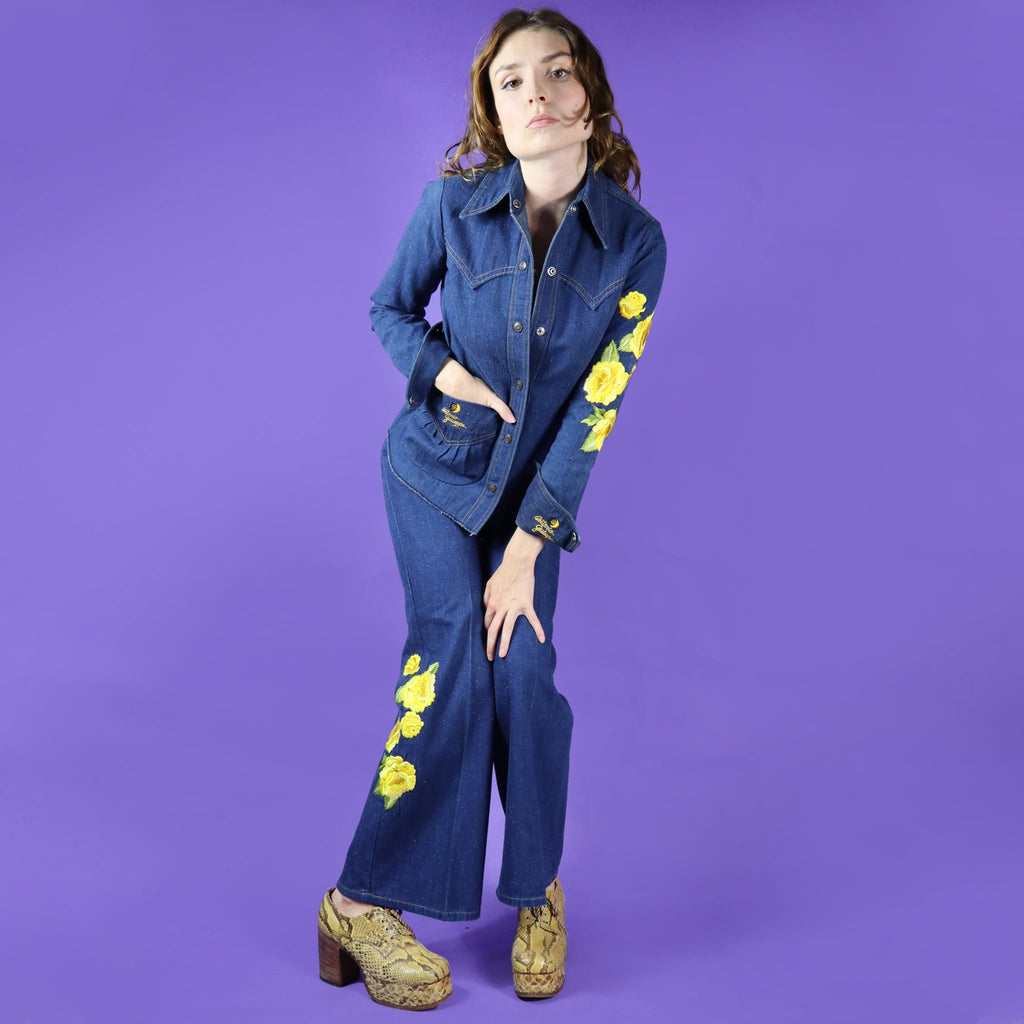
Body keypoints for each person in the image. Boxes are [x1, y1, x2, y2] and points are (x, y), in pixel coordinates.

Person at [316, 7, 667, 1010]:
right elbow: (388, 307)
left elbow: (597, 406)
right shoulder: (451, 206)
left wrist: (525, 549)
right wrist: (444, 373)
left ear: (589, 98)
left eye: (556, 71)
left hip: (529, 508)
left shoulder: (635, 245)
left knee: (526, 677)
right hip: (430, 473)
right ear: (495, 115)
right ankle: (357, 903)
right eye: (512, 81)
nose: (536, 92)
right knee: (452, 663)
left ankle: (536, 889)